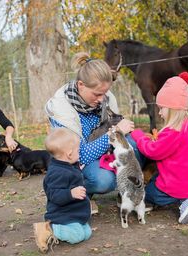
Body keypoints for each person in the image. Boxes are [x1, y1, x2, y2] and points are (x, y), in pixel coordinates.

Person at [44, 52, 144, 213]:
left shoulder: (105, 96)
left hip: (102, 148)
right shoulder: (61, 107)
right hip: (77, 161)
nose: (102, 98)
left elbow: (115, 129)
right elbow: (80, 155)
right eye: (97, 94)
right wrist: (116, 132)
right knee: (103, 181)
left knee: (137, 146)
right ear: (81, 85)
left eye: (105, 93)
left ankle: (127, 192)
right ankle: (79, 194)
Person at [130, 72, 188, 224]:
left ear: (171, 108)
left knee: (150, 193)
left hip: (175, 183)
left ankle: (184, 201)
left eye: (161, 108)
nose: (159, 113)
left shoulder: (172, 132)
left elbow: (153, 151)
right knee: (173, 184)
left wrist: (138, 136)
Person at [33, 128, 91, 253]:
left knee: (87, 233)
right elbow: (54, 194)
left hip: (74, 212)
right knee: (78, 236)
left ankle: (65, 229)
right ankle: (48, 229)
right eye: (78, 151)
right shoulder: (57, 172)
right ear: (69, 154)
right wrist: (70, 193)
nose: (79, 153)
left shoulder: (68, 165)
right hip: (62, 214)